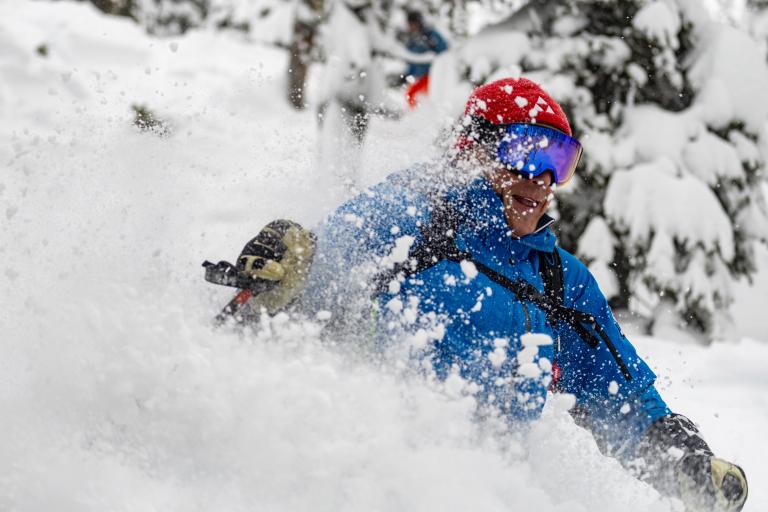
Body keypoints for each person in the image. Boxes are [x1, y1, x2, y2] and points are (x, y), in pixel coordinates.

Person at [206, 77, 748, 511]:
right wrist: (286, 263)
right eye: (527, 152)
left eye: (559, 161)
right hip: (369, 479)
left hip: (487, 490)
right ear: (475, 150)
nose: (542, 178)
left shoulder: (559, 280)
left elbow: (618, 397)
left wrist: (684, 461)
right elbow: (322, 268)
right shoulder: (414, 215)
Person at [401, 10, 447, 109]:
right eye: (409, 24)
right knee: (411, 95)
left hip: (432, 74)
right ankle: (416, 114)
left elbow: (444, 51)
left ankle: (428, 112)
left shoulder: (430, 34)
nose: (411, 26)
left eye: (413, 23)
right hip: (419, 76)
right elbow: (412, 60)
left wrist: (435, 56)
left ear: (419, 22)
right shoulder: (412, 39)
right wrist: (407, 74)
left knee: (425, 96)